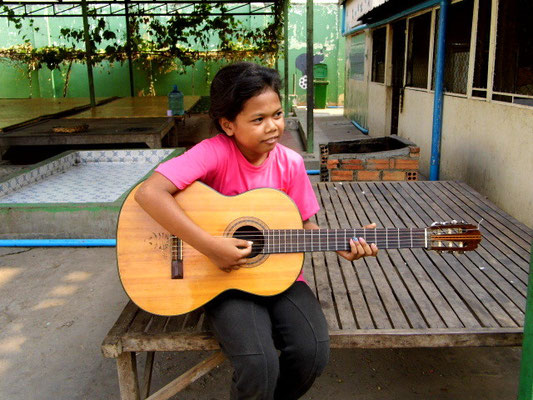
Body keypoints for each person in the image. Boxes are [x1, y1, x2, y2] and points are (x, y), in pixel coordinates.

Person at [134, 62, 378, 400]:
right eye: (258, 119)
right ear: (228, 124)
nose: (273, 127)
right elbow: (149, 193)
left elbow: (305, 224)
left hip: (282, 274)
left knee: (313, 351)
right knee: (258, 363)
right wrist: (209, 245)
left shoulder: (290, 163)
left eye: (277, 115)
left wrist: (342, 245)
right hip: (221, 279)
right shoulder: (213, 153)